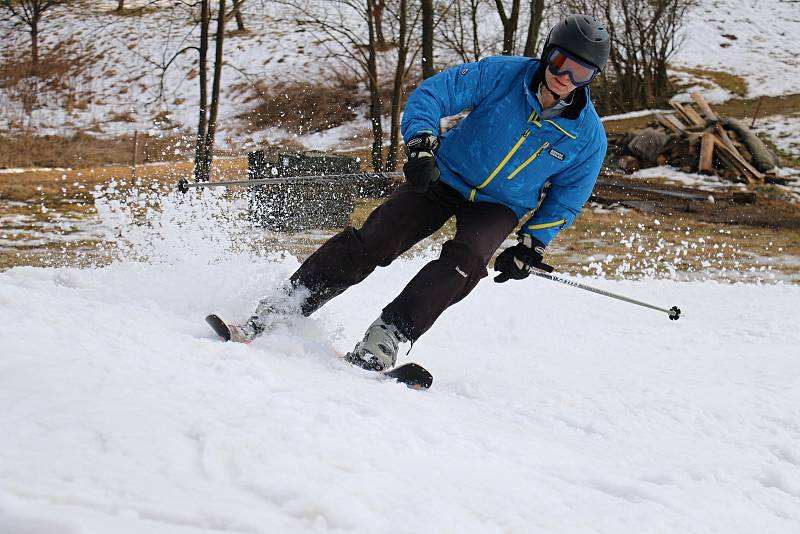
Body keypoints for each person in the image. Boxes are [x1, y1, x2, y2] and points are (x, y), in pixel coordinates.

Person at [228, 14, 611, 372]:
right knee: (377, 239)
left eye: (581, 72)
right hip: (446, 174)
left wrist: (534, 243)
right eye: (561, 62)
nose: (566, 76)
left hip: (501, 205)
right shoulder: (503, 74)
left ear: (591, 77)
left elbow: (570, 193)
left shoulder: (588, 136)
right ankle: (285, 306)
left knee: (467, 263)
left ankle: (387, 335)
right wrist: (421, 144)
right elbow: (434, 95)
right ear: (548, 54)